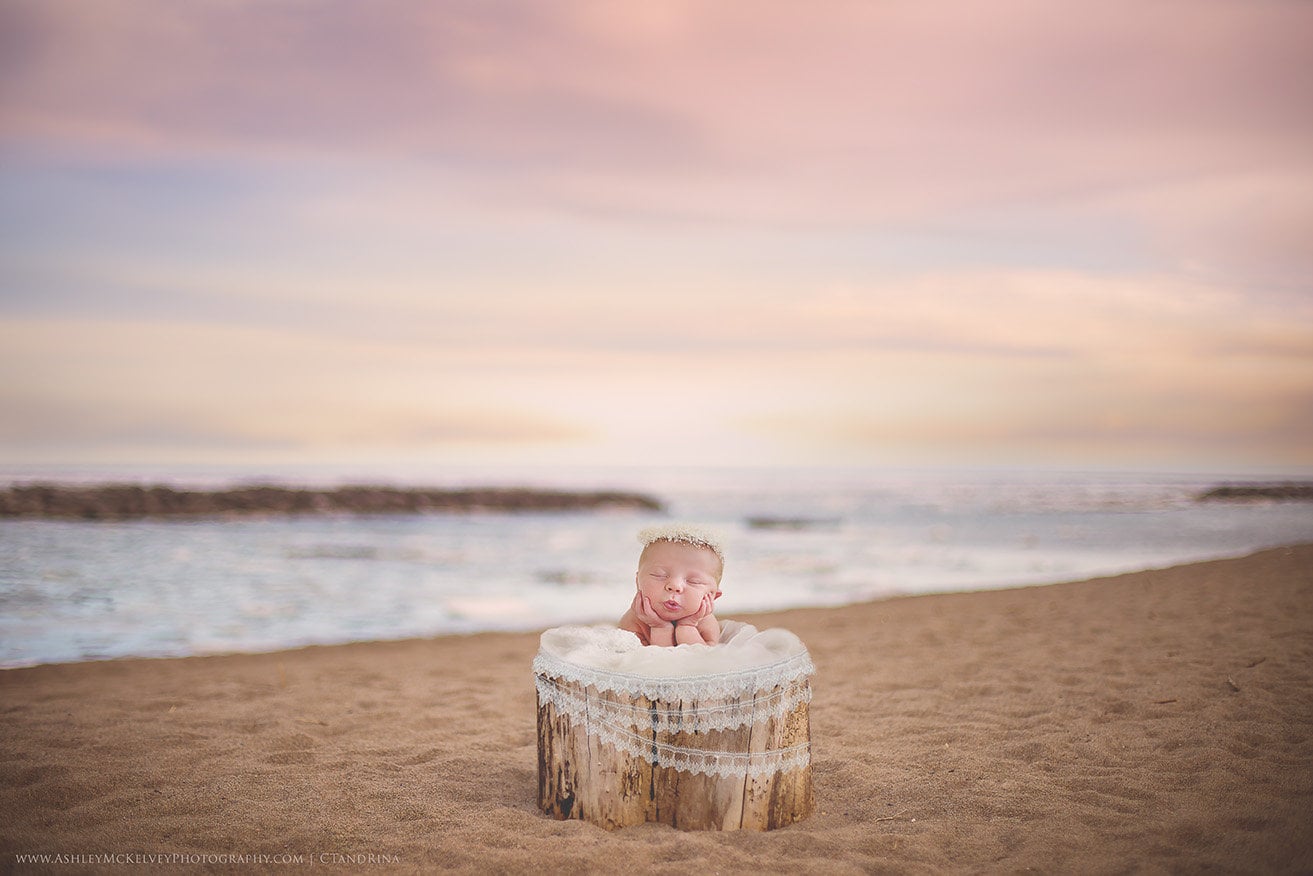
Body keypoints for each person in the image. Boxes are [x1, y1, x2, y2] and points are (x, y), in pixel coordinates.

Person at [619, 523, 724, 646]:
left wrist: (687, 627)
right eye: (659, 575)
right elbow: (658, 662)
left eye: (693, 581)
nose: (674, 586)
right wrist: (660, 628)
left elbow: (701, 660)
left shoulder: (706, 623)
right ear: (638, 582)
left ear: (712, 596)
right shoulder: (633, 622)